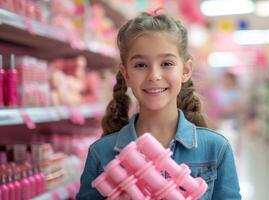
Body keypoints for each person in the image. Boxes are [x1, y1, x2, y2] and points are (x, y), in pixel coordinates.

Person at [76, 11, 241, 200]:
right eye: (140, 65)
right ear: (126, 73)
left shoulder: (216, 149)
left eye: (166, 63)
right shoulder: (101, 154)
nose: (154, 75)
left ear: (186, 70)